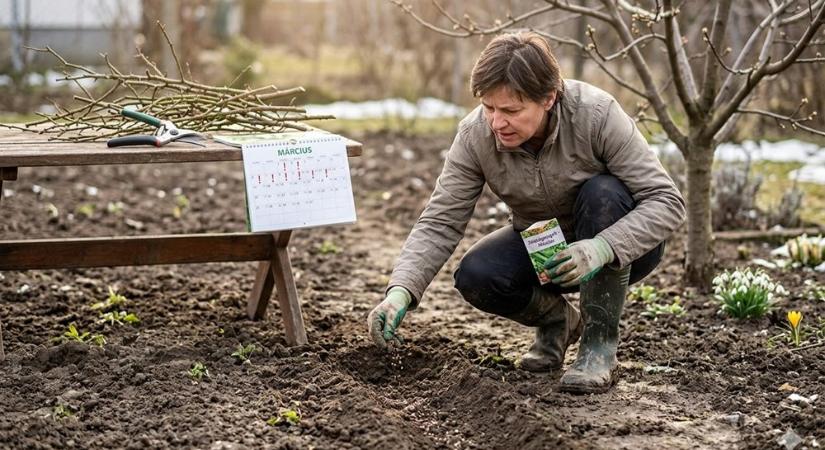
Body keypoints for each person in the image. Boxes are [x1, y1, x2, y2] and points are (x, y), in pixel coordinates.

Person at [367, 32, 685, 394]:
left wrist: (602, 247)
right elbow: (441, 219)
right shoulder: (475, 136)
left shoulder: (596, 115)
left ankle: (598, 346)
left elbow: (666, 201)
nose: (496, 122)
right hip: (545, 251)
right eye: (489, 107)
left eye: (511, 111)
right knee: (477, 274)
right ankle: (559, 322)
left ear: (549, 97)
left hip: (619, 247)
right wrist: (400, 291)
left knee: (604, 192)